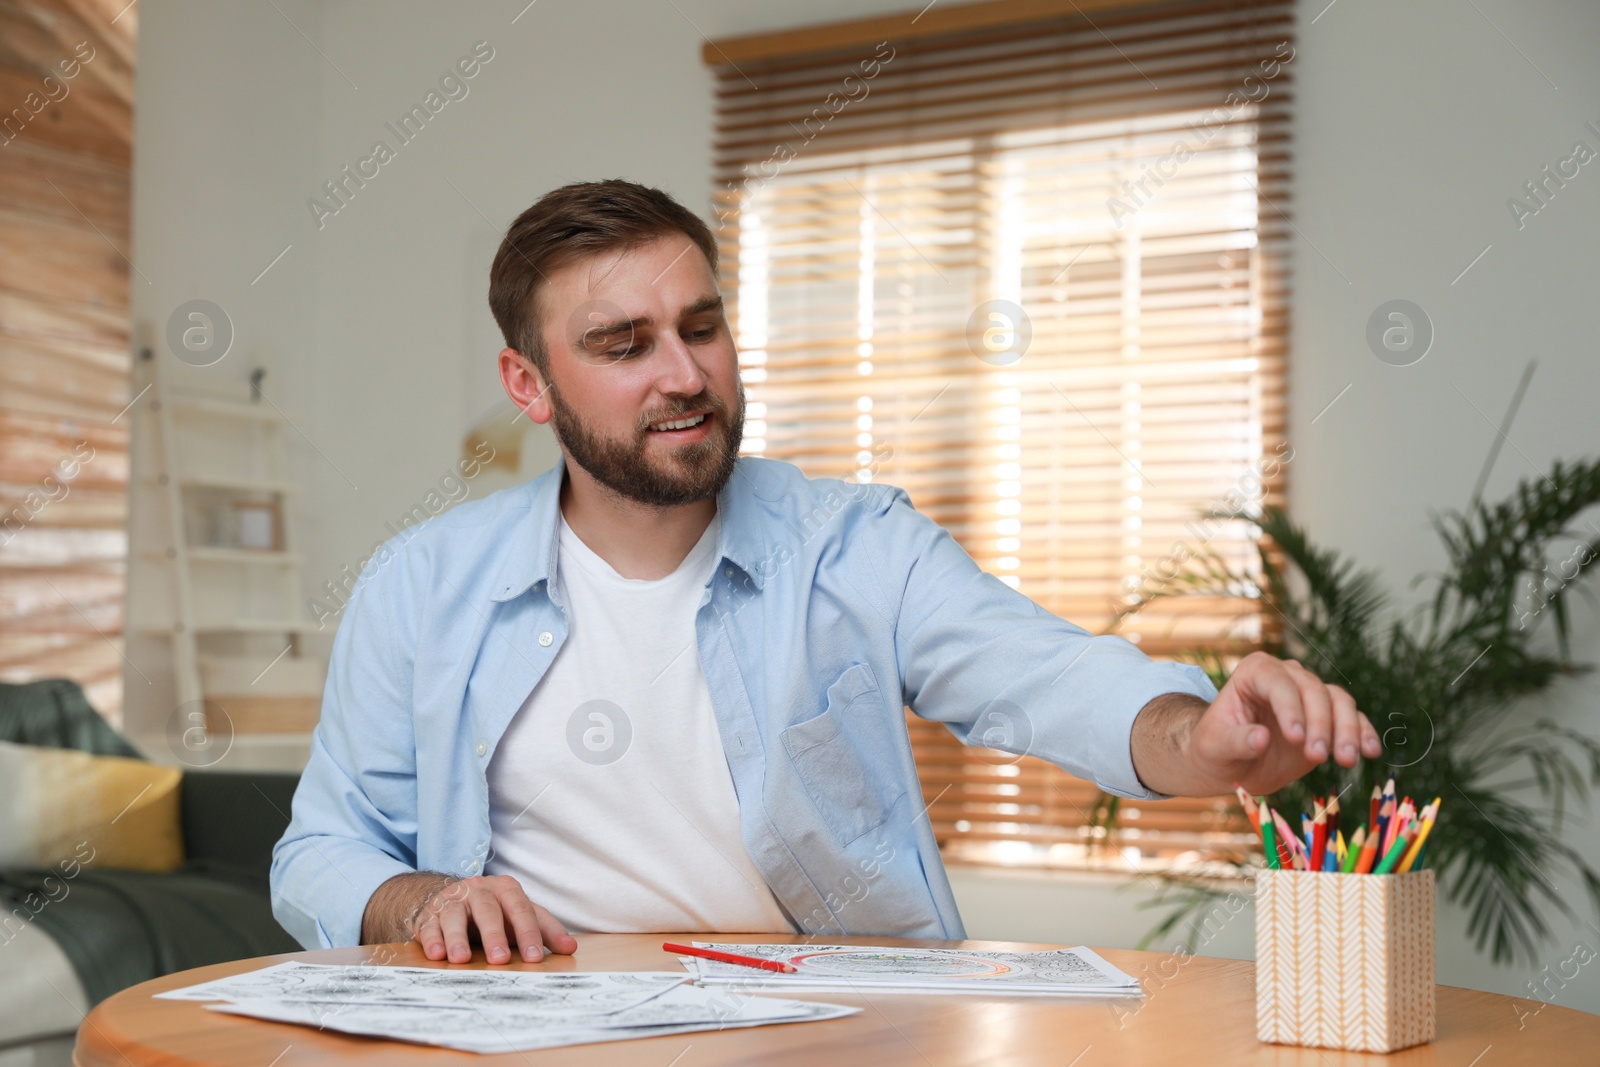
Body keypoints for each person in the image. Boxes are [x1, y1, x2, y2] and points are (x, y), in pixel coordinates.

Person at [269, 178, 1381, 967]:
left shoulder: (851, 542)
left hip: (825, 1026)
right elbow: (321, 845)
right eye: (625, 344)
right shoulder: (421, 583)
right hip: (541, 1020)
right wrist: (418, 896)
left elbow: (1044, 672)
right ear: (528, 383)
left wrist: (1202, 738)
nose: (685, 373)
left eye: (701, 327)